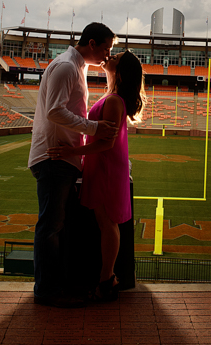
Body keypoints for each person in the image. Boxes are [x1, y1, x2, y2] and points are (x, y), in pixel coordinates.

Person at [28, 22, 117, 307]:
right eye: (106, 48)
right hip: (54, 158)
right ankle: (47, 291)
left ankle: (55, 286)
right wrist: (93, 128)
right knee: (51, 227)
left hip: (63, 156)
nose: (107, 54)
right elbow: (55, 110)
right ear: (91, 43)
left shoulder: (77, 67)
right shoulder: (67, 66)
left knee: (57, 226)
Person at [50, 50, 145, 302]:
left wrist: (71, 151)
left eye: (116, 56)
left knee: (107, 223)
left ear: (121, 69)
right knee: (106, 223)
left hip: (105, 167)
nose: (109, 57)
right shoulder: (112, 97)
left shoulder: (114, 101)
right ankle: (107, 277)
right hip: (101, 166)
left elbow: (105, 143)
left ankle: (107, 278)